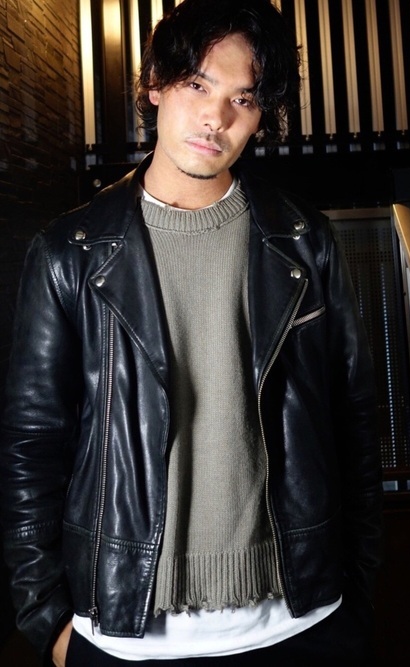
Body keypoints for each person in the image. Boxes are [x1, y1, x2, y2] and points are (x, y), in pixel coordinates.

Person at [0, 0, 382, 665]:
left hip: (299, 622)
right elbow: (31, 444)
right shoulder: (70, 253)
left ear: (261, 115)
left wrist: (357, 594)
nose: (217, 117)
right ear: (156, 84)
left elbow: (353, 420)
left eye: (243, 98)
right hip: (125, 630)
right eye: (199, 85)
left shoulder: (303, 242)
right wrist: (47, 619)